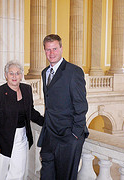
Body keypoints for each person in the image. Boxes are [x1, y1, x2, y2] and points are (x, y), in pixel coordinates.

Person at [37, 34, 89, 180]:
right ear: (44, 51)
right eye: (48, 50)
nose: (51, 53)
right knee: (46, 175)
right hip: (49, 135)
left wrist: (74, 134)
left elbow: (81, 105)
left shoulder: (74, 72)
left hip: (68, 137)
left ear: (61, 48)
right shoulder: (44, 72)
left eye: (54, 49)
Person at [0, 61, 44, 180]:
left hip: (21, 138)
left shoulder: (27, 90)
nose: (14, 76)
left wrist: (47, 122)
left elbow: (30, 111)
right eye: (11, 73)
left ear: (21, 75)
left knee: (18, 173)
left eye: (17, 73)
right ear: (6, 75)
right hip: (2, 140)